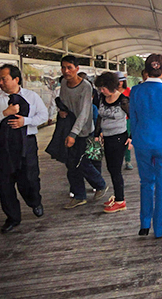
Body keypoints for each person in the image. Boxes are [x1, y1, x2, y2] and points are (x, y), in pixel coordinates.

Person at [129, 54, 162, 238]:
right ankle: (159, 229)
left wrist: (135, 137)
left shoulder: (135, 91)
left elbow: (133, 119)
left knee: (146, 183)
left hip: (142, 143)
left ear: (146, 71)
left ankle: (144, 223)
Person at [0, 64, 48, 233]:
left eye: (4, 78)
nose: (1, 82)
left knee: (29, 179)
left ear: (16, 79)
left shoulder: (31, 96)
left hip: (26, 143)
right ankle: (12, 217)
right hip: (3, 145)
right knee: (5, 183)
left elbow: (43, 115)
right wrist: (5, 113)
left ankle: (34, 201)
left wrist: (25, 121)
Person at [50, 55, 108, 209]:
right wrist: (62, 111)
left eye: (69, 67)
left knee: (83, 161)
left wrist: (74, 134)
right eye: (63, 68)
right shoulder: (63, 82)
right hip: (69, 127)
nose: (66, 71)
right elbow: (64, 101)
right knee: (71, 163)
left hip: (85, 131)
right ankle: (79, 195)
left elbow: (84, 113)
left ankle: (100, 184)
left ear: (77, 69)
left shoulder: (86, 87)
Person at [94, 72, 131, 213]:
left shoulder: (123, 100)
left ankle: (120, 200)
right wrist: (97, 134)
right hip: (107, 138)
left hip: (119, 138)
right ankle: (117, 196)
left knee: (115, 169)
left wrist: (131, 137)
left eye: (103, 88)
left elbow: (134, 116)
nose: (101, 91)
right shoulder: (102, 98)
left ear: (111, 86)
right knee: (110, 168)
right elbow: (99, 117)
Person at [116, 71, 133, 170]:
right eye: (117, 81)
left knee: (127, 140)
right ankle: (118, 160)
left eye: (121, 81)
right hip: (116, 119)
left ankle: (128, 160)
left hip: (127, 119)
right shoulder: (111, 91)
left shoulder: (128, 91)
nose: (119, 83)